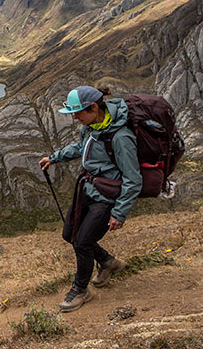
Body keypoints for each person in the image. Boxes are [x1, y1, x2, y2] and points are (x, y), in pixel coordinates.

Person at [38, 85, 142, 312]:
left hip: (106, 198)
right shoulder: (91, 126)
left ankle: (81, 290)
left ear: (94, 108)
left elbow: (133, 179)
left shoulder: (121, 137)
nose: (75, 118)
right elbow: (79, 147)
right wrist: (53, 158)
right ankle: (108, 262)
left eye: (78, 113)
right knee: (70, 235)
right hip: (87, 189)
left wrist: (119, 212)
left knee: (83, 242)